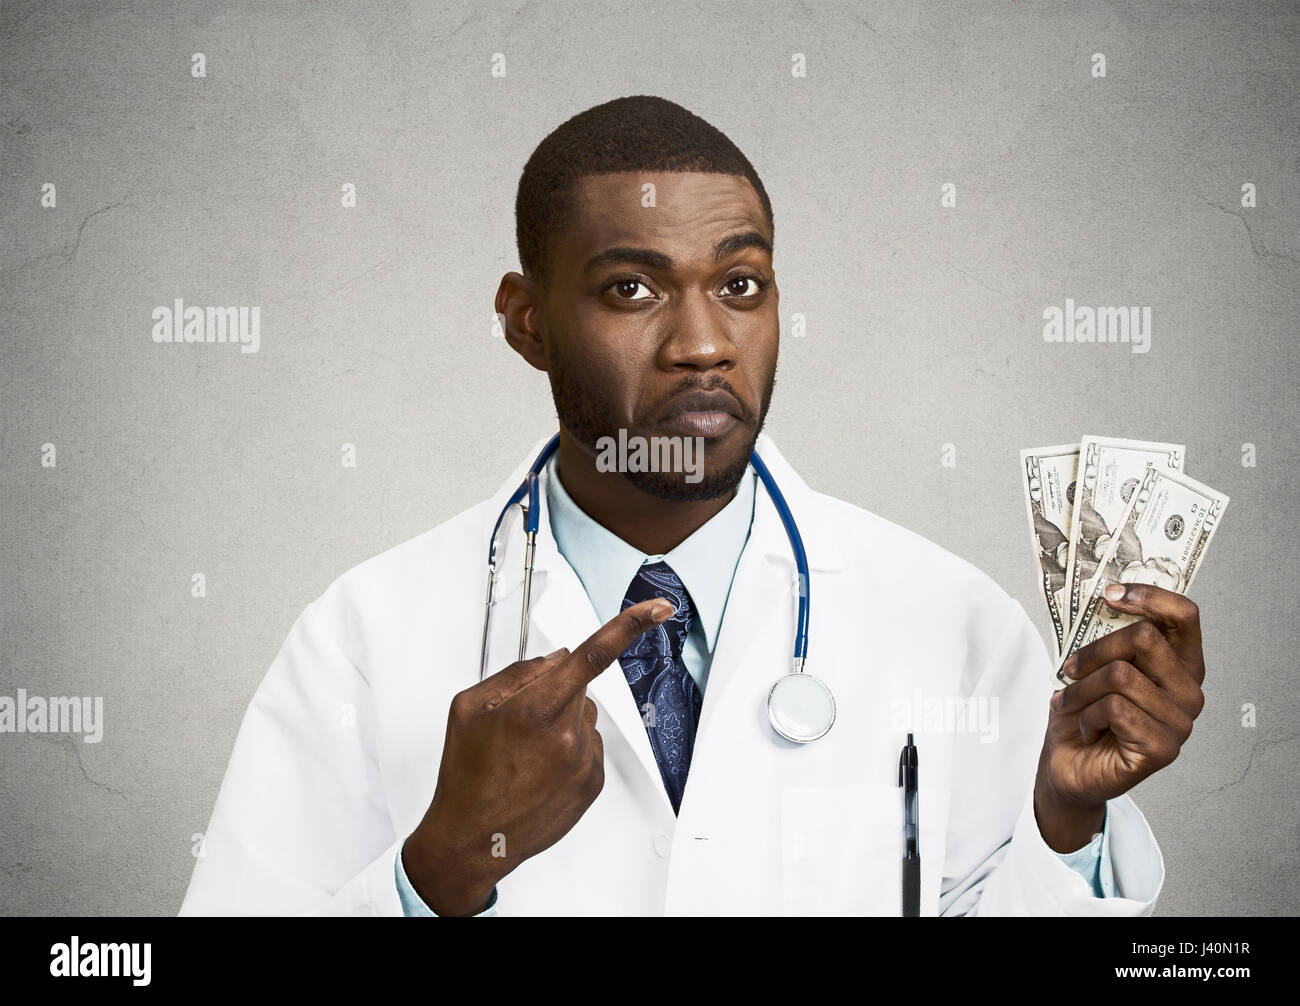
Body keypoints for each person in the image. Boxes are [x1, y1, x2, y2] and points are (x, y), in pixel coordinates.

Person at [180, 95, 1204, 916]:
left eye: (742, 285)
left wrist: (1066, 822)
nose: (703, 342)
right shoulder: (363, 636)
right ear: (526, 322)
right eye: (632, 289)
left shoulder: (953, 622)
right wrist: (432, 873)